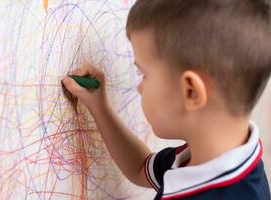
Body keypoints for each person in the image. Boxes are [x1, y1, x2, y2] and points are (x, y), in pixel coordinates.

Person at [62, 0, 271, 199]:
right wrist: (100, 107)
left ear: (191, 92)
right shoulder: (204, 156)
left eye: (144, 74)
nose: (139, 87)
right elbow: (139, 168)